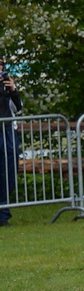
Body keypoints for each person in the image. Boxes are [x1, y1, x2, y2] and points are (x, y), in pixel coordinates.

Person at [0, 65, 21, 226]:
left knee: (8, 172)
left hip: (7, 130)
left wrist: (13, 90)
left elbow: (18, 108)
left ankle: (3, 214)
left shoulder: (6, 87)